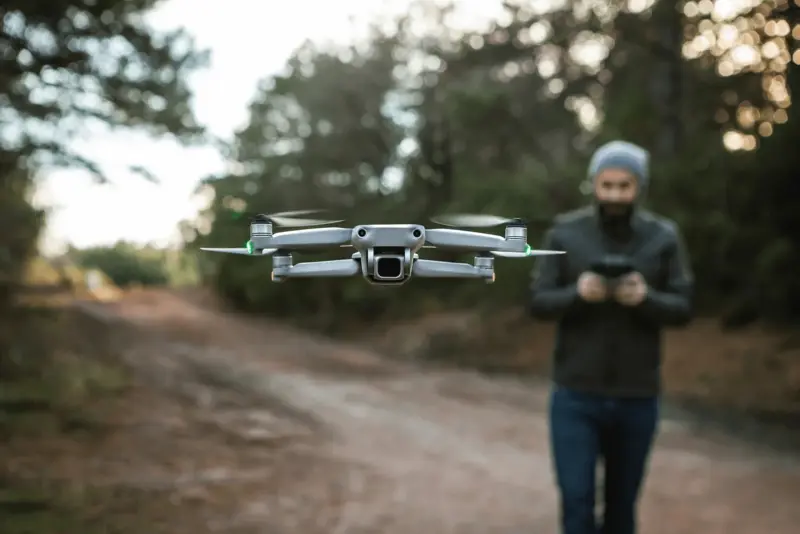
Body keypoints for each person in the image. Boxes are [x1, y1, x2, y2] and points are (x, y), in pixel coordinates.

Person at [530, 140, 694, 534]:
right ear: (594, 184)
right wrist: (578, 294)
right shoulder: (566, 233)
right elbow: (537, 302)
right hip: (575, 394)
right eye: (607, 185)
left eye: (625, 186)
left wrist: (645, 298)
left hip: (637, 395)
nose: (615, 195)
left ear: (640, 186)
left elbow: (684, 307)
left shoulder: (663, 237)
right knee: (576, 500)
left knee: (622, 508)